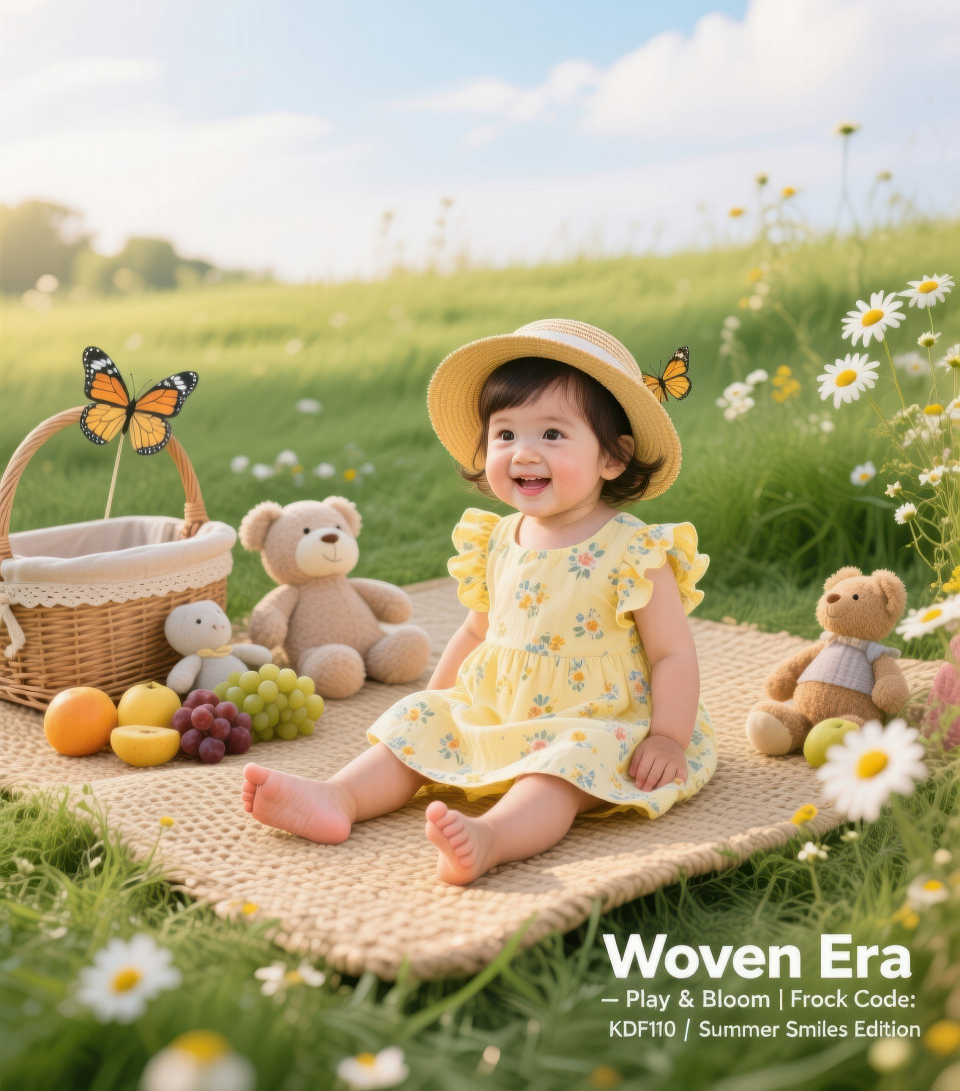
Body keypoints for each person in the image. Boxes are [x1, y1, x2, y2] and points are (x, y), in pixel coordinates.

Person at [241, 319, 717, 885]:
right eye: (506, 435)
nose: (524, 453)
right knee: (414, 725)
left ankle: (491, 837)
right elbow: (475, 633)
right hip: (503, 704)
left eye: (553, 435)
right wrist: (435, 703)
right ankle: (337, 797)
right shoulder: (496, 539)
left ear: (613, 458)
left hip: (599, 717)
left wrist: (668, 735)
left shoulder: (634, 549)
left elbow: (672, 654)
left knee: (558, 773)